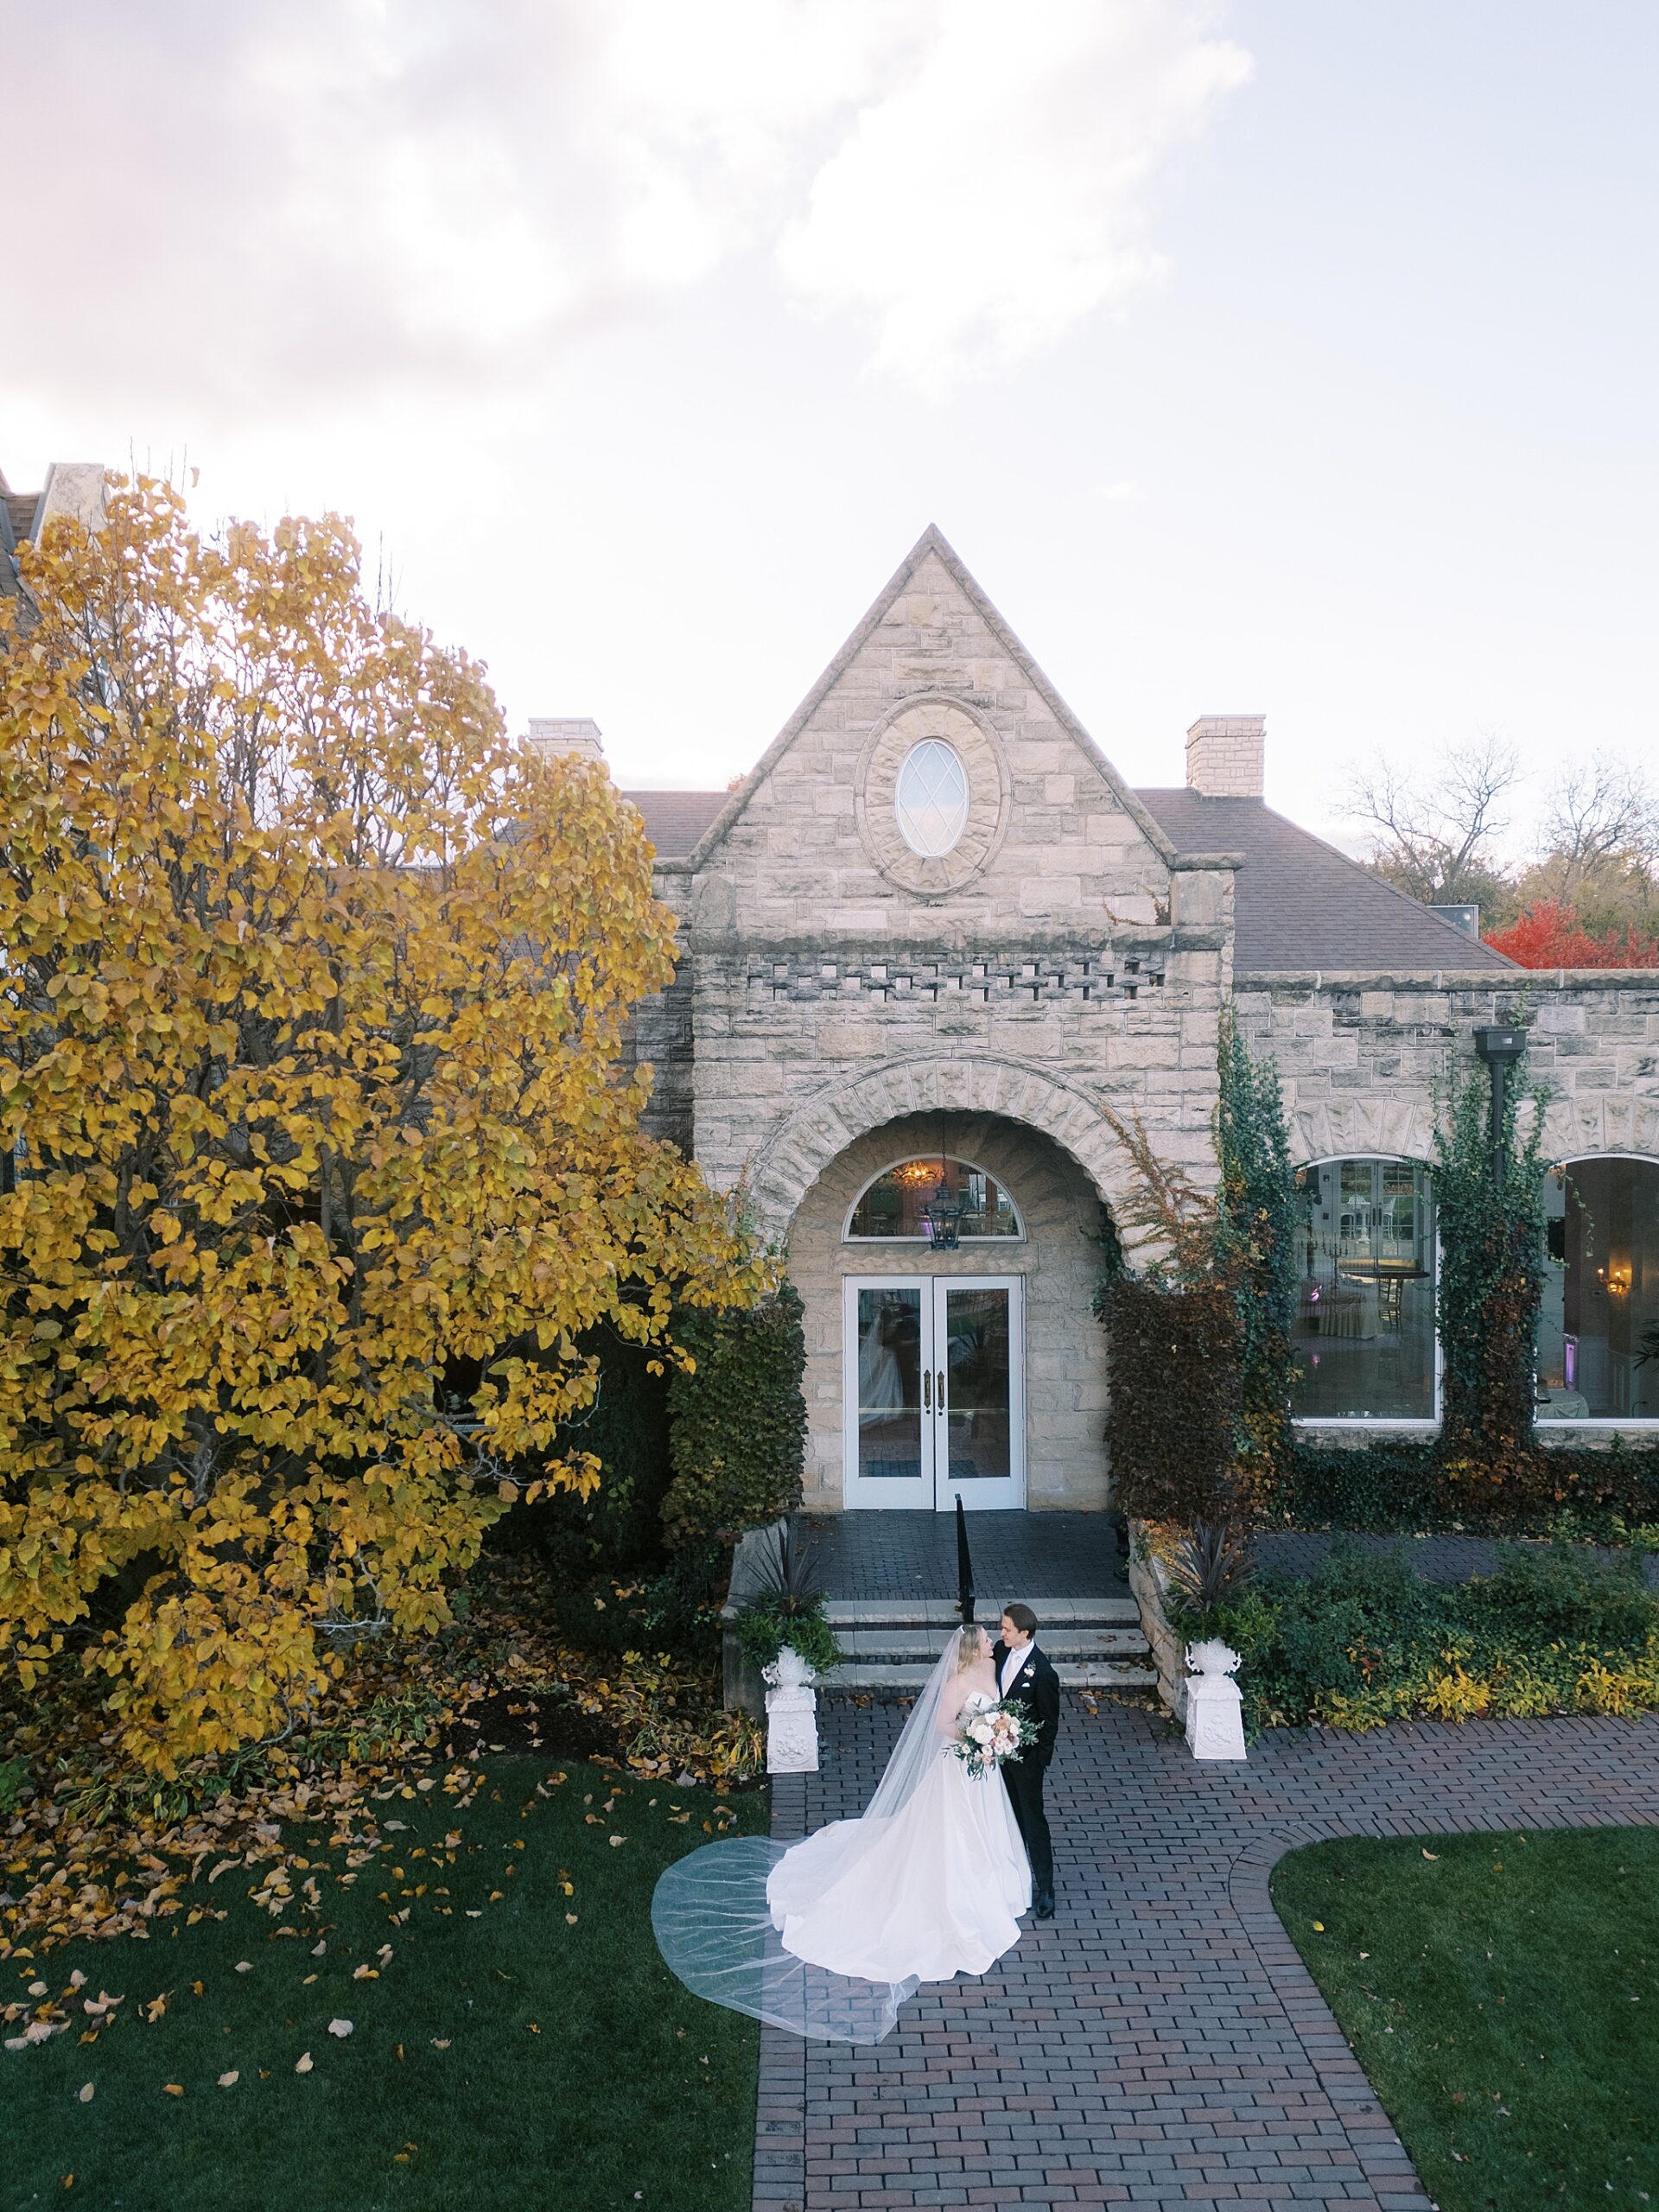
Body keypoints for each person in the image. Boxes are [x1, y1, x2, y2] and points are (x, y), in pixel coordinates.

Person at [652, 1623, 1032, 2043]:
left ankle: (992, 1882)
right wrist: (977, 1738)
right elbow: (945, 1723)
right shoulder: (958, 1679)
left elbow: (995, 1711)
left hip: (983, 1771)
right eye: (983, 1640)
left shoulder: (989, 1670)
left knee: (985, 1825)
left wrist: (997, 1732)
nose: (990, 1643)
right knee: (951, 1831)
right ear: (969, 1649)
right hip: (960, 1766)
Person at [990, 1601, 1059, 1918]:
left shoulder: (1043, 1672)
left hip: (1026, 1760)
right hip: (995, 1754)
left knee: (1033, 1821)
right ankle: (1011, 1880)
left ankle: (1046, 1886)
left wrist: (1038, 1761)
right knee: (1006, 1817)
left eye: (1006, 1629)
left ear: (1024, 1633)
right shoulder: (1000, 1652)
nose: (1001, 1633)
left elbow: (1049, 1721)